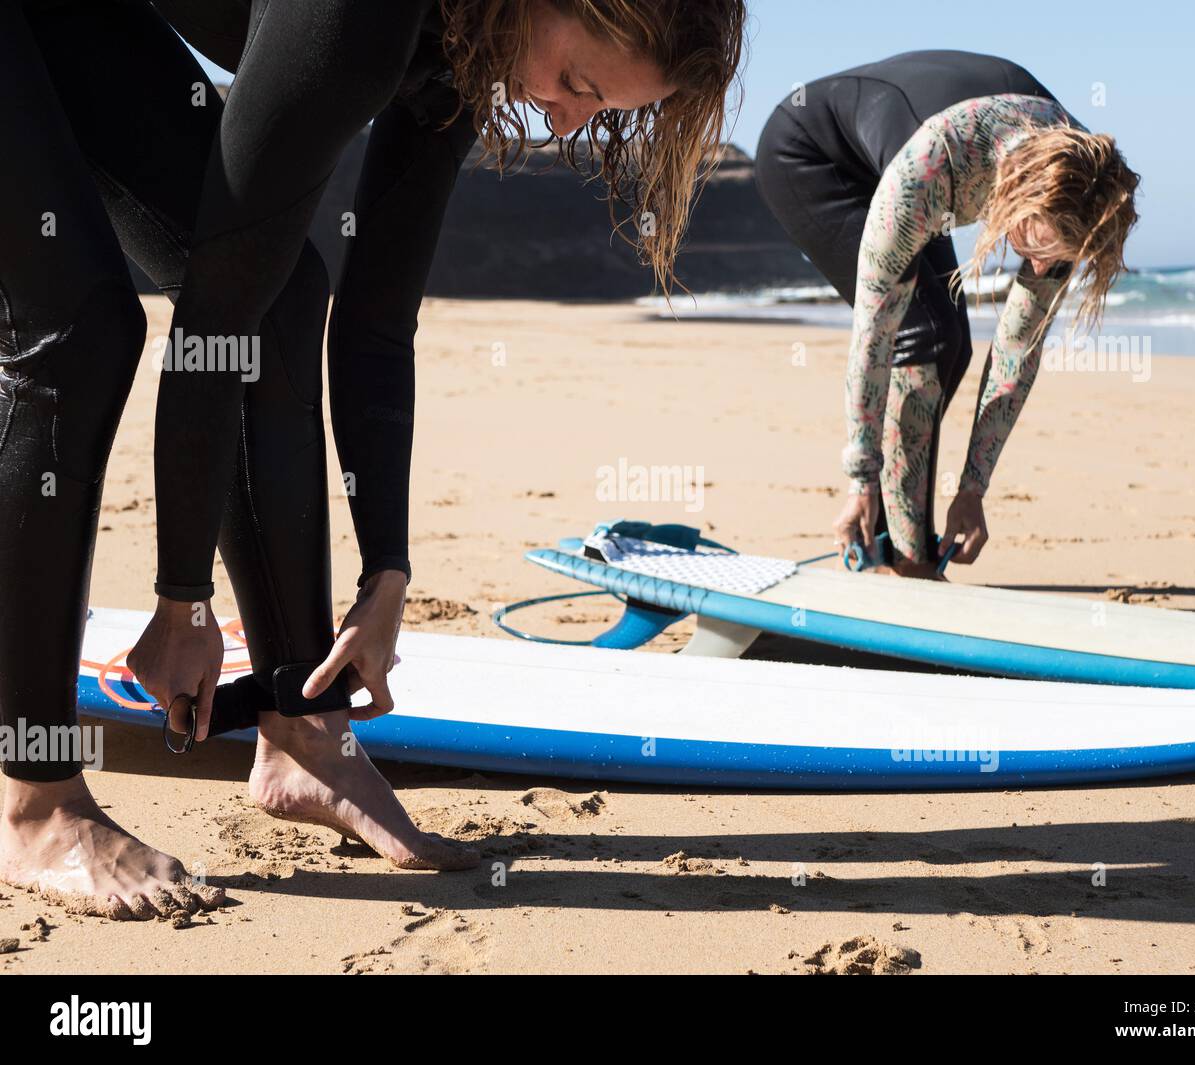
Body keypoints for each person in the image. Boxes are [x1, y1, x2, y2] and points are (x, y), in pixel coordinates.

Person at [0, 0, 746, 918]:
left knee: (283, 298)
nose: (564, 118)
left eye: (601, 110)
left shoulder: (470, 39)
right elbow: (207, 324)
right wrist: (181, 594)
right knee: (78, 334)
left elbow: (377, 324)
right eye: (580, 83)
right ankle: (33, 802)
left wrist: (387, 571)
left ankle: (301, 729)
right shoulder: (360, 19)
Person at [755, 51, 1139, 577]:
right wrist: (860, 478)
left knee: (951, 343)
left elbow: (1017, 351)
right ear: (1015, 198)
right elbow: (875, 336)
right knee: (925, 337)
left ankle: (898, 545)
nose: (1043, 266)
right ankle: (904, 559)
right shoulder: (932, 170)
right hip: (814, 156)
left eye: (1058, 259)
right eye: (1038, 247)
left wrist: (973, 488)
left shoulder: (1084, 186)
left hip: (919, 159)